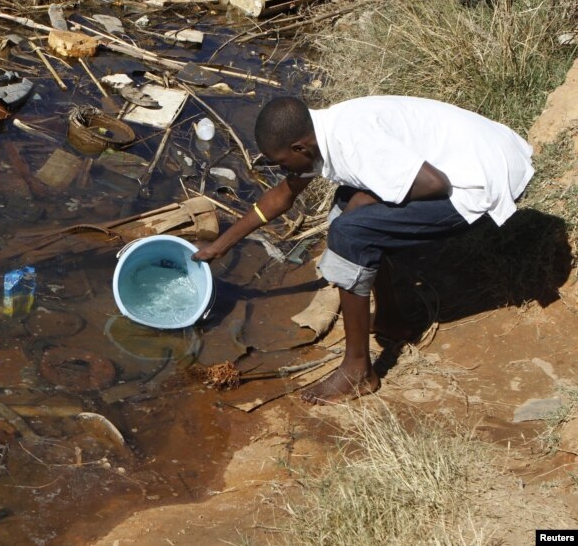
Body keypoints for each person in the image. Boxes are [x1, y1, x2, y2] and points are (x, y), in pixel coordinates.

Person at [193, 95, 534, 404]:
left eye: (282, 162)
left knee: (350, 232)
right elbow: (282, 196)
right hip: (470, 158)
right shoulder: (319, 135)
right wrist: (220, 245)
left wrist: (369, 198)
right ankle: (391, 318)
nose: (283, 170)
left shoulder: (353, 142)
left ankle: (358, 370)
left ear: (300, 149)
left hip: (478, 181)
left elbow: (435, 184)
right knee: (348, 207)